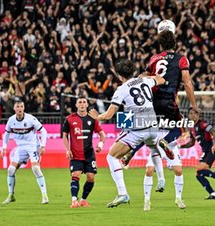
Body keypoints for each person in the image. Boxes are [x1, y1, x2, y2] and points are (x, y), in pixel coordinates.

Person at [128, 28, 199, 210]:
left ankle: (133, 151)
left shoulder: (153, 59)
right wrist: (194, 106)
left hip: (151, 104)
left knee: (144, 132)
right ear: (175, 44)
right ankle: (165, 143)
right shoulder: (181, 59)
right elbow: (187, 83)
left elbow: (144, 76)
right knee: (181, 126)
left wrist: (138, 80)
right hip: (168, 103)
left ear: (160, 45)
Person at [89, 60, 167, 208]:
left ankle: (122, 193)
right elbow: (161, 80)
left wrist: (96, 117)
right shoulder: (145, 80)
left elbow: (108, 115)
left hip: (139, 130)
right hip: (153, 125)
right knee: (152, 146)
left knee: (111, 156)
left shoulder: (121, 89)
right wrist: (153, 76)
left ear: (120, 75)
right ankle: (161, 177)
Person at [0, 98, 49, 204]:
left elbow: (43, 131)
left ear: (24, 108)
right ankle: (11, 195)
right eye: (17, 106)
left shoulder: (30, 119)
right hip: (21, 148)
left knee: (36, 169)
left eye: (21, 106)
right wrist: (4, 147)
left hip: (33, 147)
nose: (20, 109)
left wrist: (43, 146)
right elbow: (6, 134)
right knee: (10, 170)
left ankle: (45, 196)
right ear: (14, 108)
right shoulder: (11, 120)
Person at [62, 96, 105, 208]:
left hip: (89, 154)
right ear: (76, 105)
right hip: (75, 154)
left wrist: (100, 145)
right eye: (79, 102)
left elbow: (101, 134)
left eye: (84, 102)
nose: (82, 104)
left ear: (87, 105)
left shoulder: (92, 119)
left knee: (91, 177)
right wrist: (67, 150)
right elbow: (65, 135)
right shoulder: (69, 118)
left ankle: (83, 200)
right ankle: (74, 200)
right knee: (75, 175)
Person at [179, 108, 215, 200]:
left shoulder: (203, 123)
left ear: (198, 115)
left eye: (194, 113)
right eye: (190, 113)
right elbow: (192, 143)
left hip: (211, 150)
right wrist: (179, 147)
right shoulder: (192, 128)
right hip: (205, 152)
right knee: (199, 175)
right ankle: (213, 193)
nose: (192, 115)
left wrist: (214, 145)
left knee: (200, 171)